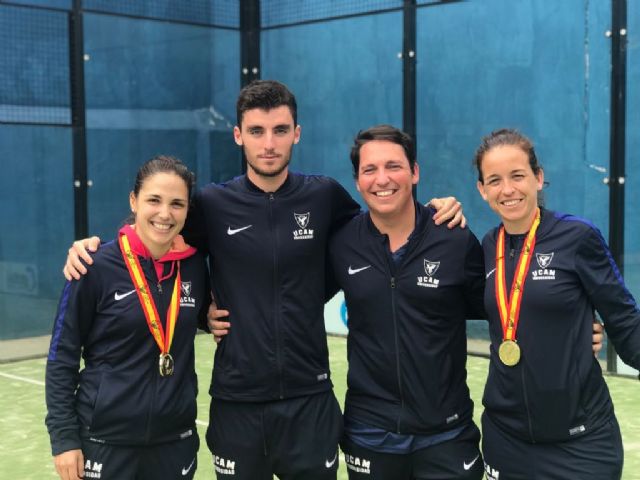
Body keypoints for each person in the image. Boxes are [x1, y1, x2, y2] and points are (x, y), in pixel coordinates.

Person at [62, 81, 464, 480]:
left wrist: (435, 210)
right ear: (239, 136)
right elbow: (160, 234)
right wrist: (97, 247)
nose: (268, 143)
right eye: (256, 131)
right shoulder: (212, 205)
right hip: (237, 402)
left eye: (280, 130)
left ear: (296, 134)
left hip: (310, 400)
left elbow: (383, 217)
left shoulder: (324, 196)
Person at [474, 129, 640, 480]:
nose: (507, 189)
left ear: (538, 177)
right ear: (482, 190)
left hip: (581, 443)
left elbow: (625, 320)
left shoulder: (578, 237)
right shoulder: (488, 246)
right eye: (495, 180)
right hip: (506, 439)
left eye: (518, 175)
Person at [326, 125, 486, 479]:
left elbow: (502, 306)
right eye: (370, 170)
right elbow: (291, 293)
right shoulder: (342, 243)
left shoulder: (455, 239)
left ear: (415, 172)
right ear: (357, 181)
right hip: (369, 432)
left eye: (394, 166)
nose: (382, 179)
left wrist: (577, 326)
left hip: (447, 433)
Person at [45, 156, 210, 480]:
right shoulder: (92, 266)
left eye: (177, 203)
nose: (165, 214)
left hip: (174, 442)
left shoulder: (193, 266)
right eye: (154, 200)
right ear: (134, 201)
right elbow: (61, 357)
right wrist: (64, 439)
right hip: (104, 442)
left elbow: (202, 315)